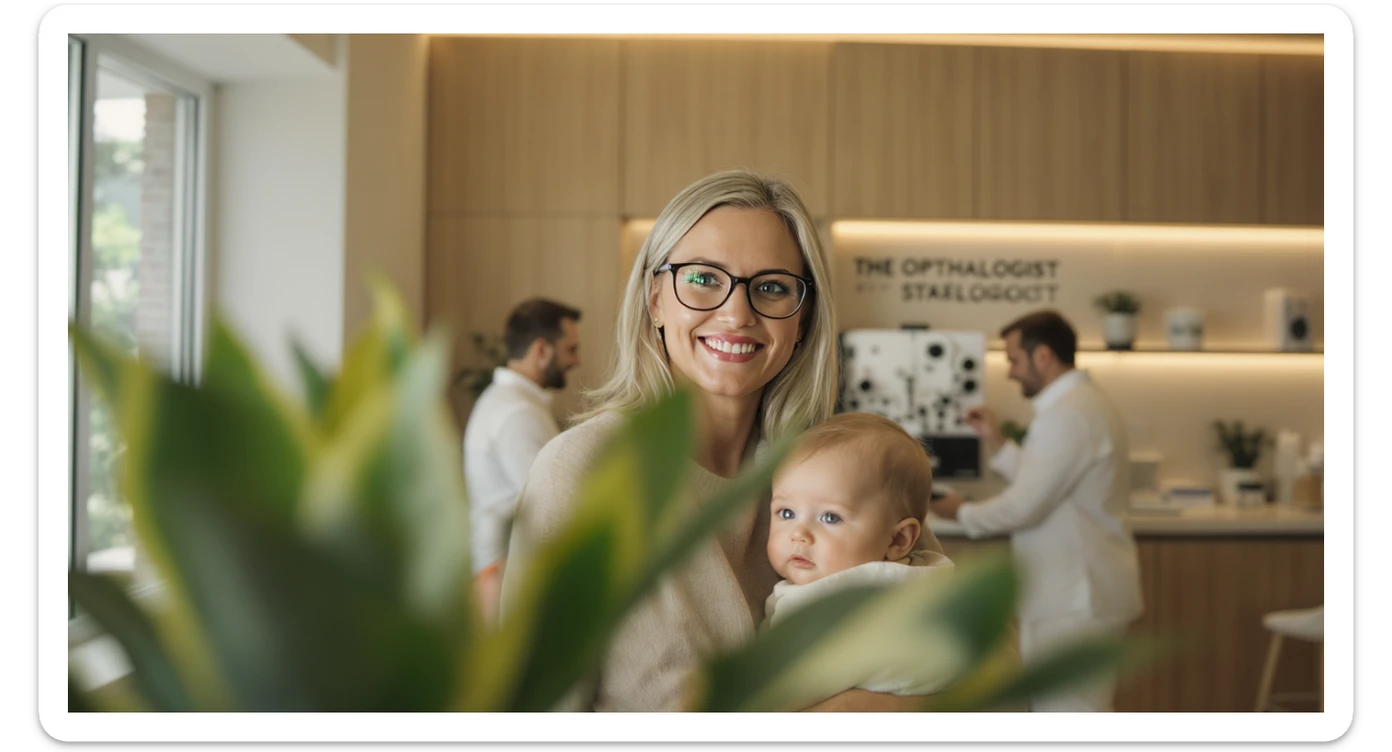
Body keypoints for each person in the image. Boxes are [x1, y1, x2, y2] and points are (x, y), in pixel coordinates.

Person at [499, 169, 951, 712]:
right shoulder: (584, 470)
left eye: (772, 287)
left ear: (803, 319)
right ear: (656, 299)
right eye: (703, 279)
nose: (738, 314)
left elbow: (990, 650)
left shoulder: (837, 465)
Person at [928, 309, 1143, 712]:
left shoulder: (1068, 415)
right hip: (1079, 592)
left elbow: (1025, 505)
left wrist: (961, 512)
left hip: (1075, 597)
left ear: (1043, 356)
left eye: (1013, 359)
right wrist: (995, 440)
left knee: (1068, 713)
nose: (1010, 372)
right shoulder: (1079, 405)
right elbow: (1050, 482)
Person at [763, 412, 956, 700]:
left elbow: (782, 691)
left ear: (899, 539)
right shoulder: (929, 579)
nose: (799, 534)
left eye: (830, 517)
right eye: (786, 513)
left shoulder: (830, 605)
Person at [463, 298, 582, 623]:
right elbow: (554, 502)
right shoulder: (518, 413)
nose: (577, 360)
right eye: (571, 349)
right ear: (542, 350)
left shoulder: (507, 402)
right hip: (502, 575)